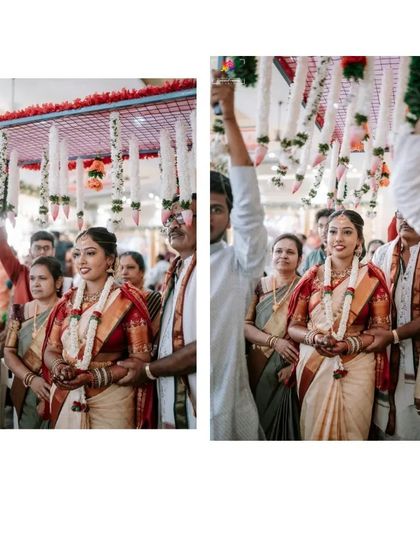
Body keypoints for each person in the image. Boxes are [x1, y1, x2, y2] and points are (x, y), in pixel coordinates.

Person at [287, 210, 391, 440]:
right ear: (325, 238)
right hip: (315, 362)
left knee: (354, 431)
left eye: (347, 232)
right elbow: (294, 326)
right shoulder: (311, 277)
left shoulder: (372, 278)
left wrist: (348, 344)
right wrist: (315, 338)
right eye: (333, 231)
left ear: (359, 241)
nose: (338, 238)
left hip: (357, 364)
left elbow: (380, 331)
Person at [42, 227, 153, 429]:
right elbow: (51, 349)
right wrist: (60, 368)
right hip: (66, 394)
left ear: (110, 260)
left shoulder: (127, 302)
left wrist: (93, 377)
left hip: (112, 401)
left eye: (90, 253)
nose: (81, 260)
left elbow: (140, 360)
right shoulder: (67, 302)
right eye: (77, 253)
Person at [210, 72, 267, 440]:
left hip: (221, 407)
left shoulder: (238, 262)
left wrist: (229, 118)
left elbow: (248, 205)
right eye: (196, 211)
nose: (203, 219)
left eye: (216, 209)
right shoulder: (180, 266)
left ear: (228, 216)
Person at [116, 198, 197, 429]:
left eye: (181, 218)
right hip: (168, 389)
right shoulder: (177, 269)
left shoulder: (205, 269)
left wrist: (148, 370)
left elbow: (204, 346)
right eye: (169, 220)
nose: (172, 226)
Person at [367, 210, 420, 439]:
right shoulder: (382, 253)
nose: (406, 219)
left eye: (414, 212)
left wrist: (394, 335)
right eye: (401, 213)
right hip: (385, 351)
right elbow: (367, 296)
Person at [244, 234, 302, 440]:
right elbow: (245, 326)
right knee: (258, 421)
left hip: (291, 368)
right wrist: (274, 342)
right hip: (258, 366)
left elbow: (313, 331)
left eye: (290, 252)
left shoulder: (306, 288)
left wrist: (295, 369)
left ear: (300, 259)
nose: (283, 256)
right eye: (278, 251)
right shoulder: (258, 285)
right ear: (272, 255)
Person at [4, 257, 63, 428]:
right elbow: (9, 352)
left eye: (42, 278)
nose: (36, 283)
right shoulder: (19, 311)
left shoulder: (68, 313)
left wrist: (51, 390)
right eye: (32, 278)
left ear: (58, 282)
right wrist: (31, 379)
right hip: (25, 388)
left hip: (57, 389)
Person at [0, 228, 55, 304]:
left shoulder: (62, 280)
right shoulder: (19, 272)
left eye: (46, 248)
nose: (42, 252)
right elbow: (2, 246)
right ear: (30, 251)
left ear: (53, 251)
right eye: (37, 248)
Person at [119, 251, 162, 339]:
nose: (124, 272)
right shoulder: (116, 296)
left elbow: (152, 333)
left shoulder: (153, 297)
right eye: (121, 267)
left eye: (130, 267)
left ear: (142, 272)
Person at [301, 208, 334, 274]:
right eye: (320, 226)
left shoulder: (345, 253)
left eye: (328, 225)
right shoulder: (312, 256)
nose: (324, 230)